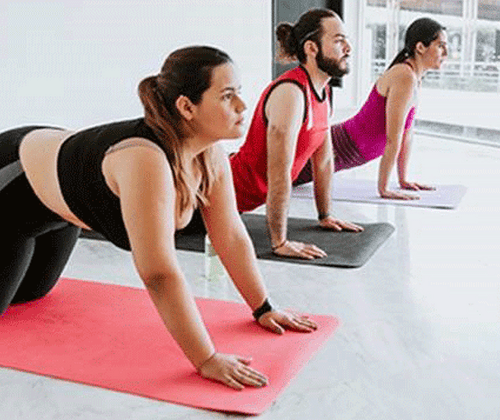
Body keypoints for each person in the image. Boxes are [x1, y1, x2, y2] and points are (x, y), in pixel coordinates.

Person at [0, 46, 318, 390]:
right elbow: (158, 273)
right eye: (227, 96)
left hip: (59, 210)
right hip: (12, 181)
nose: (243, 106)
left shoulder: (210, 155)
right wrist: (206, 359)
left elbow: (230, 235)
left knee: (32, 295)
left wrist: (264, 308)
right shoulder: (144, 160)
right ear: (187, 107)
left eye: (239, 93)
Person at [229, 9, 364, 261]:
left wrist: (325, 215)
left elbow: (323, 161)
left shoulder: (323, 91)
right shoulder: (291, 93)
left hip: (234, 201)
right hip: (207, 196)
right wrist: (279, 242)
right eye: (338, 40)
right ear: (311, 48)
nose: (348, 48)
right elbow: (279, 171)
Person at [295, 17, 448, 200]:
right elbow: (393, 139)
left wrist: (403, 179)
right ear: (420, 47)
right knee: (279, 173)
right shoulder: (404, 76)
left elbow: (406, 135)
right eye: (440, 46)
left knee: (285, 173)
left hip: (344, 150)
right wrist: (384, 189)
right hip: (338, 147)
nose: (446, 53)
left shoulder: (413, 77)